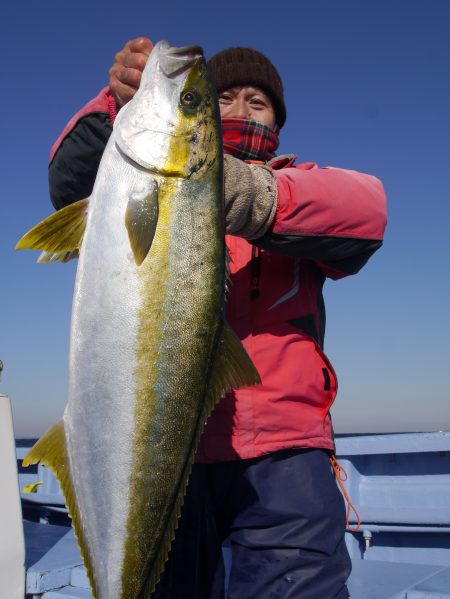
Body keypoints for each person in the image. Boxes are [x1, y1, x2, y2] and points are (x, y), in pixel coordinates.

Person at [48, 37, 387, 599]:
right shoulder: (133, 166)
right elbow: (69, 185)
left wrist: (257, 194)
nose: (240, 109)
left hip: (284, 459)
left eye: (259, 101)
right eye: (221, 98)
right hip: (169, 453)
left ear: (278, 119)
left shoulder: (294, 184)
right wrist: (116, 103)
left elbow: (367, 213)